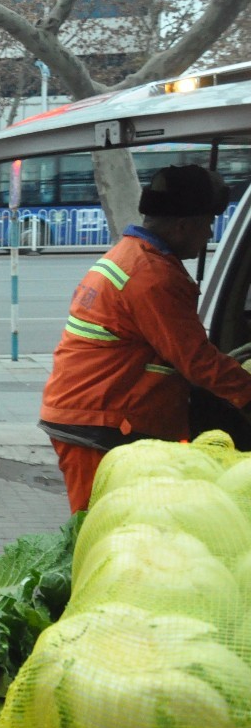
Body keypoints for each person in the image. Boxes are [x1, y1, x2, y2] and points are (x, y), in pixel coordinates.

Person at [39, 164, 251, 512]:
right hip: (100, 424)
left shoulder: (132, 256)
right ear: (183, 226)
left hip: (92, 415)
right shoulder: (152, 275)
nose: (209, 233)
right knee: (102, 534)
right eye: (206, 223)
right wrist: (246, 393)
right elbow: (196, 361)